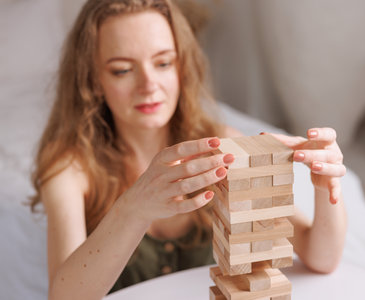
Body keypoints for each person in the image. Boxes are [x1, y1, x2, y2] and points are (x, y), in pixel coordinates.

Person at [30, 0, 347, 299]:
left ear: (181, 67)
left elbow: (321, 259)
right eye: (122, 70)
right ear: (93, 80)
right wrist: (133, 208)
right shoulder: (70, 168)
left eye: (163, 62)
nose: (149, 84)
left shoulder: (221, 143)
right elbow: (63, 296)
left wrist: (326, 187)